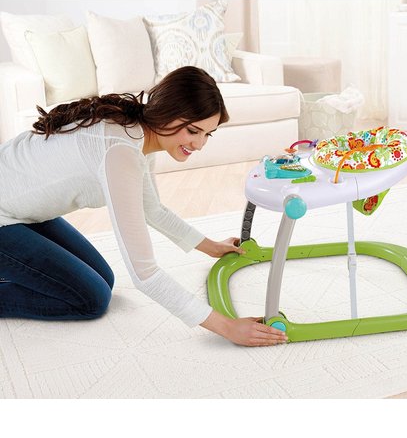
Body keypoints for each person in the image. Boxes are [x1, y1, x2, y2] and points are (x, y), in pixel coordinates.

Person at [0, 66, 287, 347]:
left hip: (20, 211)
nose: (199, 144)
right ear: (167, 113)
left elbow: (152, 209)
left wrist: (210, 246)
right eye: (193, 130)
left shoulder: (137, 133)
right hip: (4, 215)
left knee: (103, 279)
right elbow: (144, 273)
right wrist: (227, 327)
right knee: (91, 298)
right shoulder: (120, 152)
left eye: (207, 134)